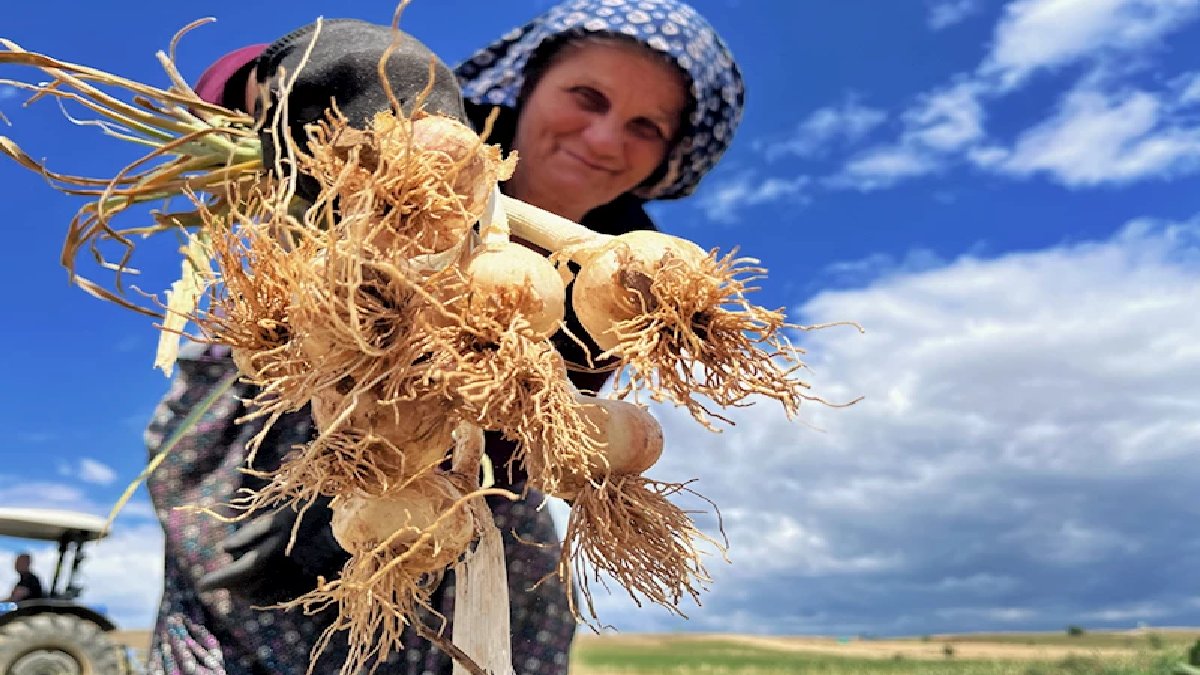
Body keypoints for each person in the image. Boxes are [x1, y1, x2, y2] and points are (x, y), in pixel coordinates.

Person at [143, 1, 744, 674]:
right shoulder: (413, 119)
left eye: (645, 126)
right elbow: (223, 91)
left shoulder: (630, 275)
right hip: (269, 436)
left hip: (445, 503)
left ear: (670, 154)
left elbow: (525, 431)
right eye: (588, 97)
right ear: (529, 82)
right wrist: (308, 75)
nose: (605, 138)